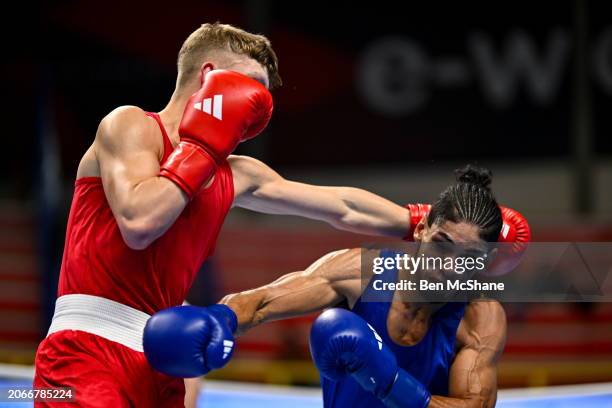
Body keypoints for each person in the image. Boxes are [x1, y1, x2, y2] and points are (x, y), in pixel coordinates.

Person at [33, 22, 431, 407]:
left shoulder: (235, 173)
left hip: (165, 357)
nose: (257, 105)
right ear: (210, 75)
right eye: (250, 86)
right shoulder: (131, 126)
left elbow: (342, 206)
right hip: (87, 350)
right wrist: (201, 148)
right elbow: (139, 223)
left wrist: (421, 221)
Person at [144, 165, 531, 408]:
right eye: (442, 245)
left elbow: (475, 405)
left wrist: (391, 383)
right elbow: (262, 302)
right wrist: (220, 319)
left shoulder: (481, 316)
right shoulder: (362, 274)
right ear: (421, 229)